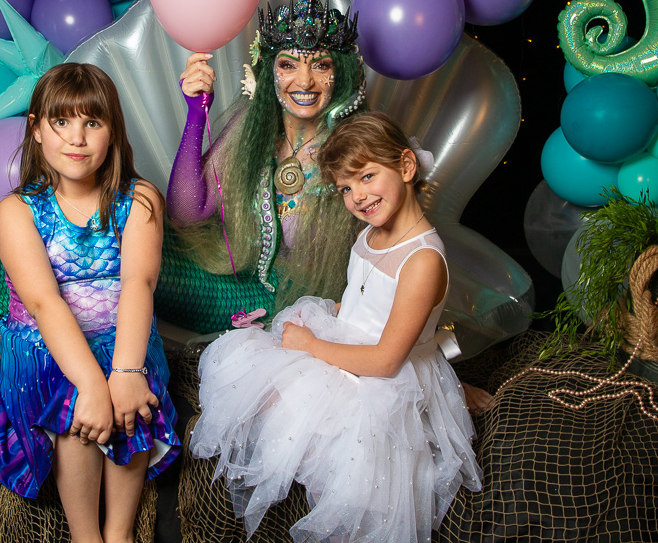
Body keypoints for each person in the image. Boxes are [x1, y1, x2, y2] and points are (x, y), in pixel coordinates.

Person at [189, 111, 482, 543]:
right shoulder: (371, 234)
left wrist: (310, 344)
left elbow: (386, 361)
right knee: (248, 371)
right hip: (351, 345)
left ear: (406, 167)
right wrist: (333, 314)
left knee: (311, 430)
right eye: (346, 188)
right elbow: (365, 297)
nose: (358, 196)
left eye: (367, 177)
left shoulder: (421, 260)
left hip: (382, 377)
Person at [0, 63, 181, 543]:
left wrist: (125, 374)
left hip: (124, 339)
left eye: (92, 123)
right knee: (77, 395)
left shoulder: (140, 200)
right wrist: (93, 386)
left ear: (112, 131)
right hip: (45, 346)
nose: (77, 138)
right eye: (61, 122)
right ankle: (86, 536)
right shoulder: (17, 210)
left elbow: (138, 285)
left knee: (130, 388)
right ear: (37, 129)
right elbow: (44, 303)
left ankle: (119, 533)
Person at [158, 0, 367, 332]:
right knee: (134, 242)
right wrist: (196, 113)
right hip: (235, 286)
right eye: (288, 65)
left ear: (341, 74)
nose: (304, 81)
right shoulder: (251, 126)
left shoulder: (356, 147)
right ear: (269, 71)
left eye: (321, 66)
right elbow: (186, 213)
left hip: (303, 309)